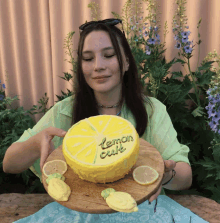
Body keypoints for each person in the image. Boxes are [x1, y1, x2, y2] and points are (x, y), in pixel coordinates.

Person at [3, 18, 192, 216]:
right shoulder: (65, 111)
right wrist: (35, 143)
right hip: (78, 214)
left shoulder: (152, 110)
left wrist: (167, 174)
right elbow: (9, 164)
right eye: (88, 58)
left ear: (126, 61)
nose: (98, 66)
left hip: (140, 213)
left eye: (109, 55)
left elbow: (185, 177)